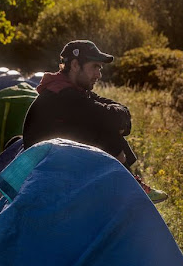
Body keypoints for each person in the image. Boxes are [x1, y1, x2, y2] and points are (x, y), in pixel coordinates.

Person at [22, 40, 167, 203]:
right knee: (104, 128)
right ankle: (127, 184)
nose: (98, 75)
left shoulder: (73, 90)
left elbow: (119, 110)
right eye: (95, 67)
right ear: (76, 65)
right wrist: (117, 123)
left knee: (102, 123)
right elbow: (110, 117)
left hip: (59, 163)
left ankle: (126, 182)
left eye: (100, 68)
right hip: (48, 173)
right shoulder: (62, 95)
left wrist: (119, 120)